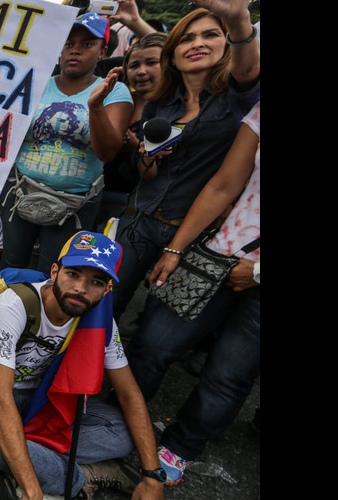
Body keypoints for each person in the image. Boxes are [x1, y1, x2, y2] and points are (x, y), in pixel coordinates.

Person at [106, 0, 261, 319]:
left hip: (197, 234)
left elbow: (248, 68)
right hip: (138, 221)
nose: (198, 43)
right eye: (187, 38)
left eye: (210, 35)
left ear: (226, 45)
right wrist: (147, 157)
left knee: (155, 333)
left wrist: (237, 15)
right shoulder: (159, 105)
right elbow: (145, 175)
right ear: (172, 55)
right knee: (105, 309)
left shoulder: (239, 98)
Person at [0, 232, 165, 500]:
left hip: (42, 397)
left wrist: (152, 475)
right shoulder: (12, 306)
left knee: (124, 433)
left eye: (95, 281)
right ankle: (84, 477)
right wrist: (33, 491)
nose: (81, 288)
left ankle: (21, 458)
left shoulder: (99, 321)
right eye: (73, 274)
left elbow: (129, 393)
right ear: (54, 272)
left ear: (106, 290)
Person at [127, 100, 260, 486]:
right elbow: (223, 184)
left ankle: (180, 447)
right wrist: (175, 249)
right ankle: (119, 418)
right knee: (152, 342)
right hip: (220, 252)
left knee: (229, 375)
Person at [0, 13, 133, 274]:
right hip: (19, 193)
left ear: (103, 51)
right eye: (69, 44)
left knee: (55, 271)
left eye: (86, 45)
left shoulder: (114, 91)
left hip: (76, 205)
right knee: (9, 267)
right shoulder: (35, 85)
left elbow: (107, 152)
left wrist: (95, 107)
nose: (75, 51)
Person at [94, 32, 168, 230]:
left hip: (134, 209)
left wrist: (136, 147)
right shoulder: (116, 101)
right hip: (95, 196)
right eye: (134, 65)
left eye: (151, 63)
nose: (141, 71)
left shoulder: (173, 111)